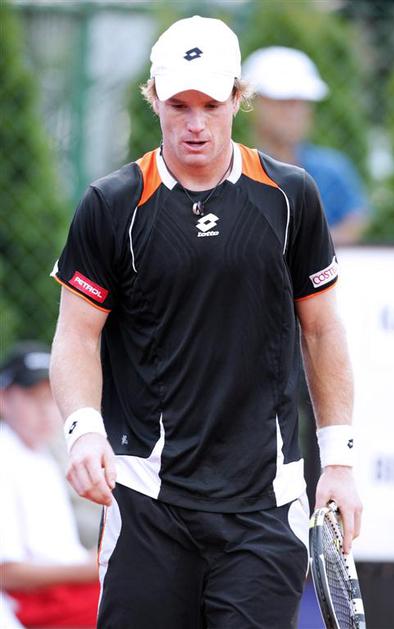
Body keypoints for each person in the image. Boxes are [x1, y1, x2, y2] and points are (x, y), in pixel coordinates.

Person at [49, 15, 362, 629]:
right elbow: (77, 334)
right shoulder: (112, 204)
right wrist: (83, 431)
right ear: (154, 99)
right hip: (146, 497)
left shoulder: (290, 196)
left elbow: (323, 330)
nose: (195, 124)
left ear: (238, 99)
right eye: (179, 105)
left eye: (211, 105)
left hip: (264, 505)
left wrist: (340, 464)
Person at [0, 341, 100, 628]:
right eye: (33, 398)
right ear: (3, 399)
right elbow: (6, 572)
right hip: (31, 602)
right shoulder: (5, 457)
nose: (46, 410)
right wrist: (94, 567)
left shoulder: (41, 452)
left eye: (52, 398)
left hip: (64, 591)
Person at [242, 46, 368, 245]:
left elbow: (354, 221)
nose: (296, 112)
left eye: (302, 102)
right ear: (252, 104)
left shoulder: (332, 170)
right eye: (284, 101)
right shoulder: (233, 172)